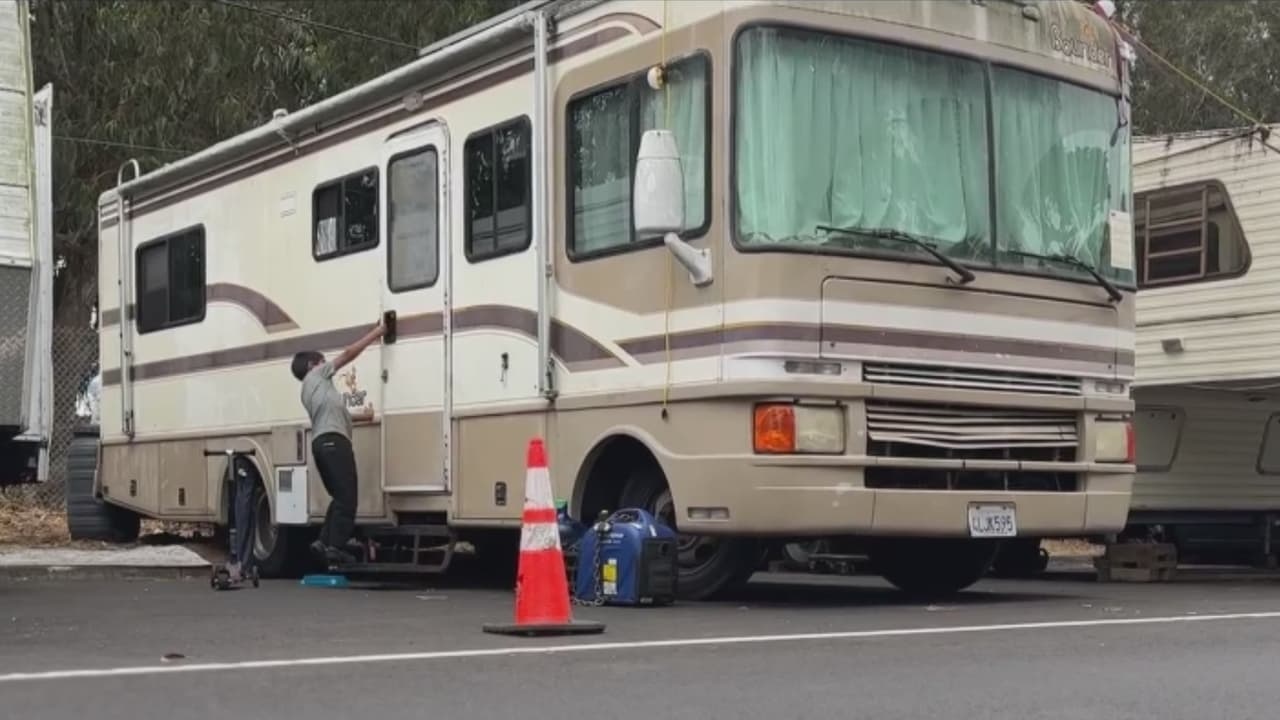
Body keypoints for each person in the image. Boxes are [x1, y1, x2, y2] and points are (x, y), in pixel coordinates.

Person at [290, 319, 384, 567]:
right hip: (334, 443)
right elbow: (348, 354)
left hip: (322, 444)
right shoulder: (317, 375)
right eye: (323, 361)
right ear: (313, 365)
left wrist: (364, 416)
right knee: (348, 497)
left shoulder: (314, 391)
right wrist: (377, 332)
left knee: (339, 496)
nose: (327, 365)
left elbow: (337, 416)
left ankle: (322, 542)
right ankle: (336, 547)